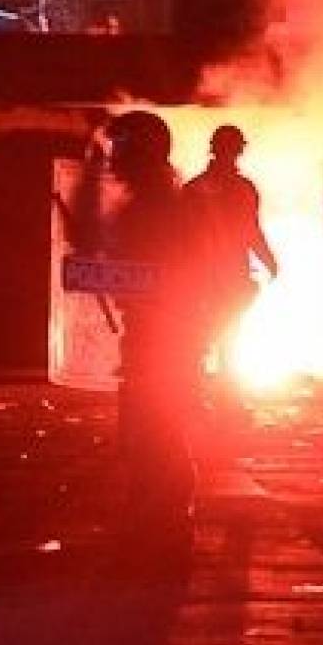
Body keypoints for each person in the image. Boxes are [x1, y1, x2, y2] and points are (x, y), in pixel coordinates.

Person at [98, 111, 205, 560]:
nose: (112, 160)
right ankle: (157, 520)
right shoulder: (159, 202)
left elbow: (166, 274)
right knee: (150, 430)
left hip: (164, 338)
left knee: (155, 429)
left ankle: (162, 524)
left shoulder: (159, 208)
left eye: (120, 150)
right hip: (156, 335)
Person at [184, 125, 279, 402]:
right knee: (215, 334)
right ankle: (217, 396)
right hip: (216, 273)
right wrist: (268, 260)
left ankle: (209, 395)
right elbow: (251, 231)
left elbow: (250, 229)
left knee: (214, 334)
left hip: (211, 273)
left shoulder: (197, 188)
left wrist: (268, 259)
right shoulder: (240, 189)